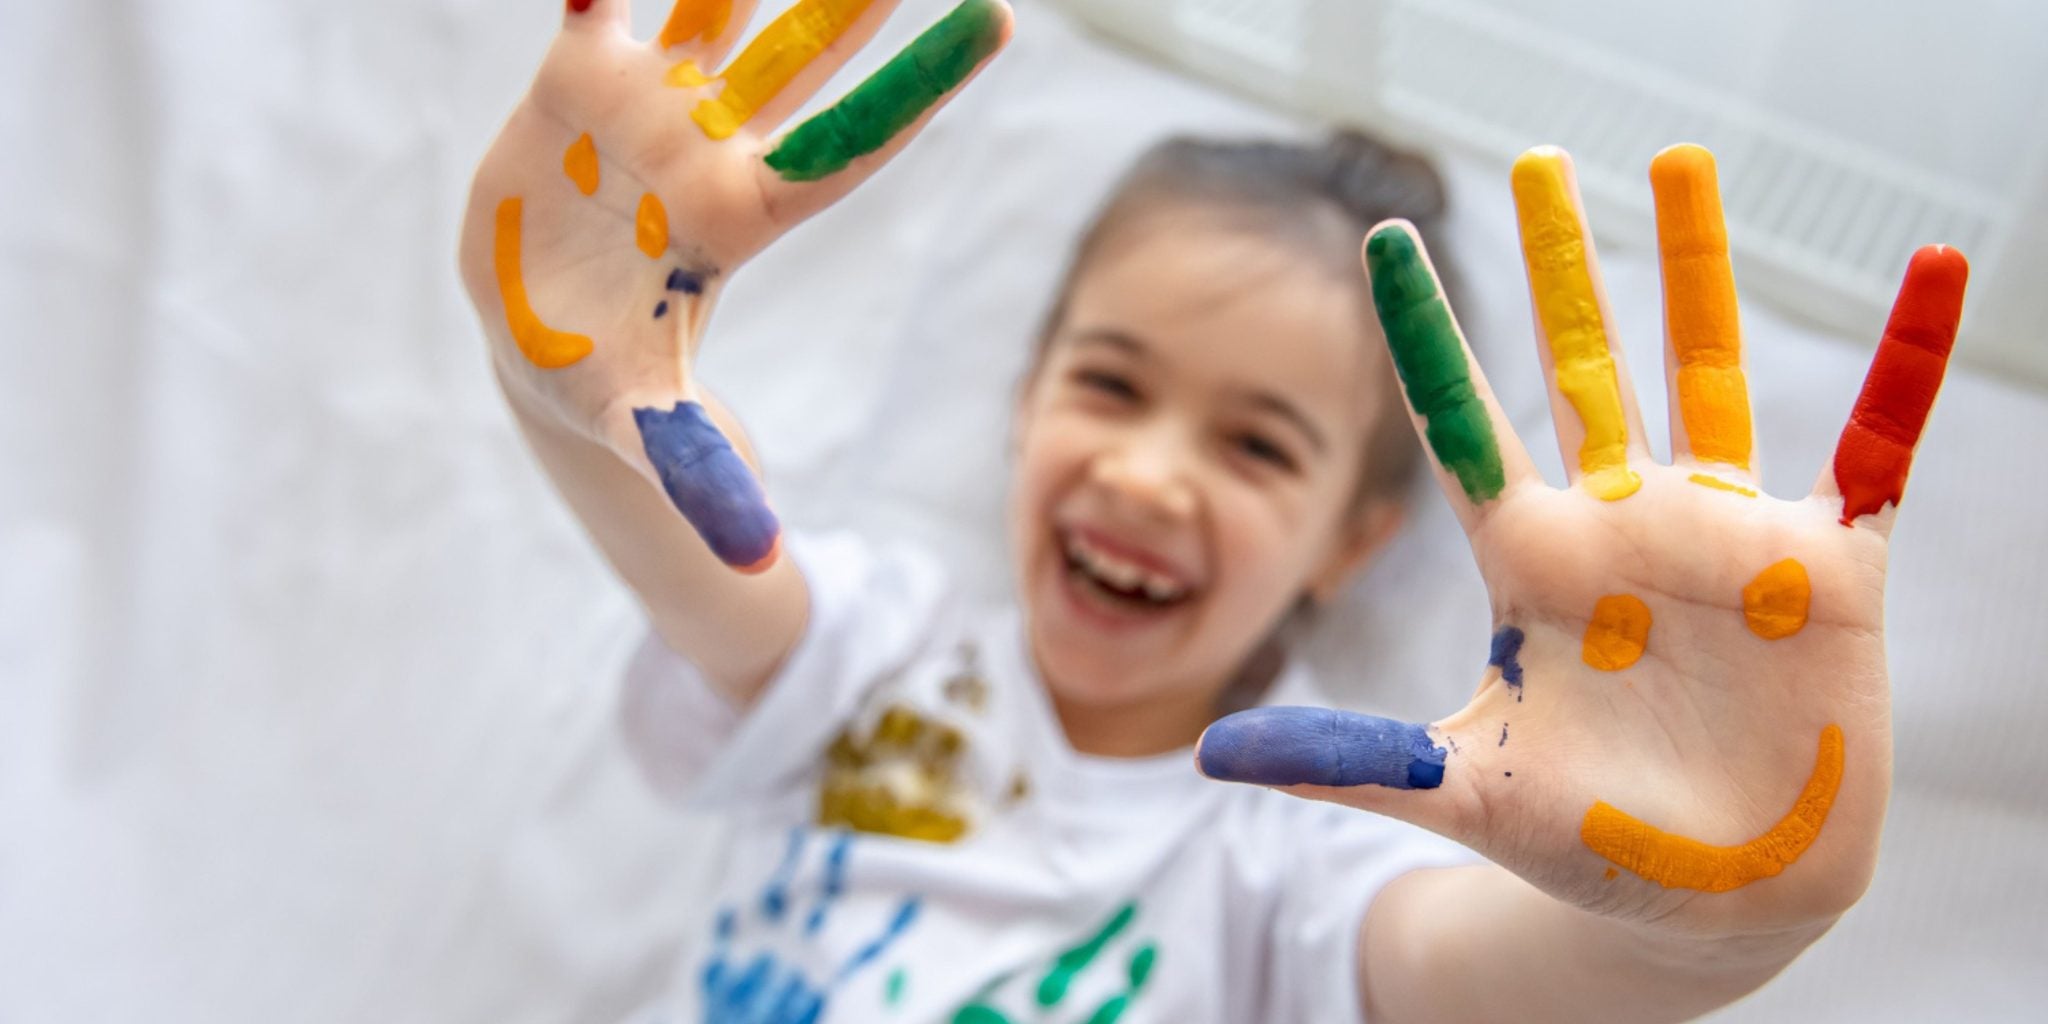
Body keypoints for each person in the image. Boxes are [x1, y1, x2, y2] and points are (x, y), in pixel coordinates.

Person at [457, 2, 1970, 1020]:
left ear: (1353, 538)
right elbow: (691, 567)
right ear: (1027, 397)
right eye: (1110, 386)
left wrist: (1723, 913)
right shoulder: (875, 655)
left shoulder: (1304, 859)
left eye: (1256, 446)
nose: (1151, 473)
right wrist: (551, 383)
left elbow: (1526, 974)